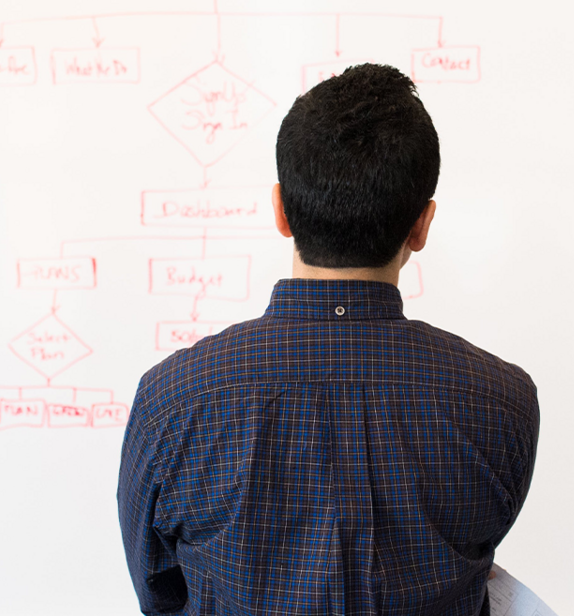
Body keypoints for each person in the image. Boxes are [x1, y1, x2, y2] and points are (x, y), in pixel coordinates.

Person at [117, 64, 541, 616]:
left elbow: (160, 595)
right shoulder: (501, 400)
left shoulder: (172, 399)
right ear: (422, 225)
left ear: (281, 211)